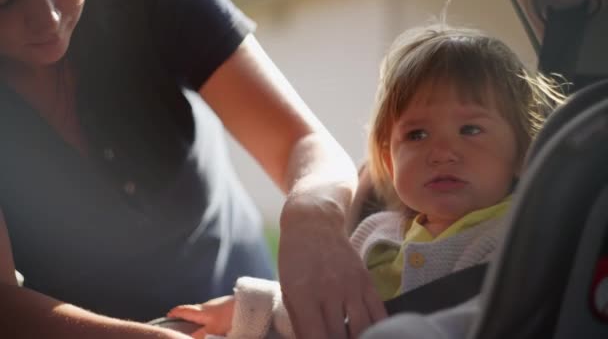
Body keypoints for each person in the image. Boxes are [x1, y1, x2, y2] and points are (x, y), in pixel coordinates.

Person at [0, 0, 385, 338]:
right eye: (6, 3)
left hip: (251, 306)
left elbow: (303, 144)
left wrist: (311, 215)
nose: (47, 18)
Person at [164, 23, 566, 338]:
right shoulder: (376, 233)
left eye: (470, 130)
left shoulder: (515, 234)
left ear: (523, 153)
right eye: (417, 135)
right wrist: (251, 309)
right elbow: (329, 310)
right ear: (389, 163)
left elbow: (505, 315)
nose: (441, 151)